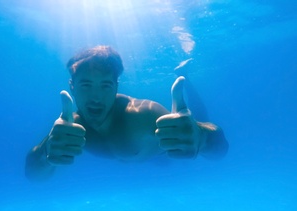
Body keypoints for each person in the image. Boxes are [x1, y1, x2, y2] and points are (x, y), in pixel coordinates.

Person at [25, 45, 228, 180]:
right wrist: (45, 152)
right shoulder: (71, 127)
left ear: (116, 86)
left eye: (105, 85)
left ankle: (185, 76)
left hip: (161, 155)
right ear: (72, 87)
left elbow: (220, 150)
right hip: (146, 159)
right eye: (86, 85)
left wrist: (201, 136)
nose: (96, 97)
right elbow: (32, 176)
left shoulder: (142, 115)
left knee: (199, 119)